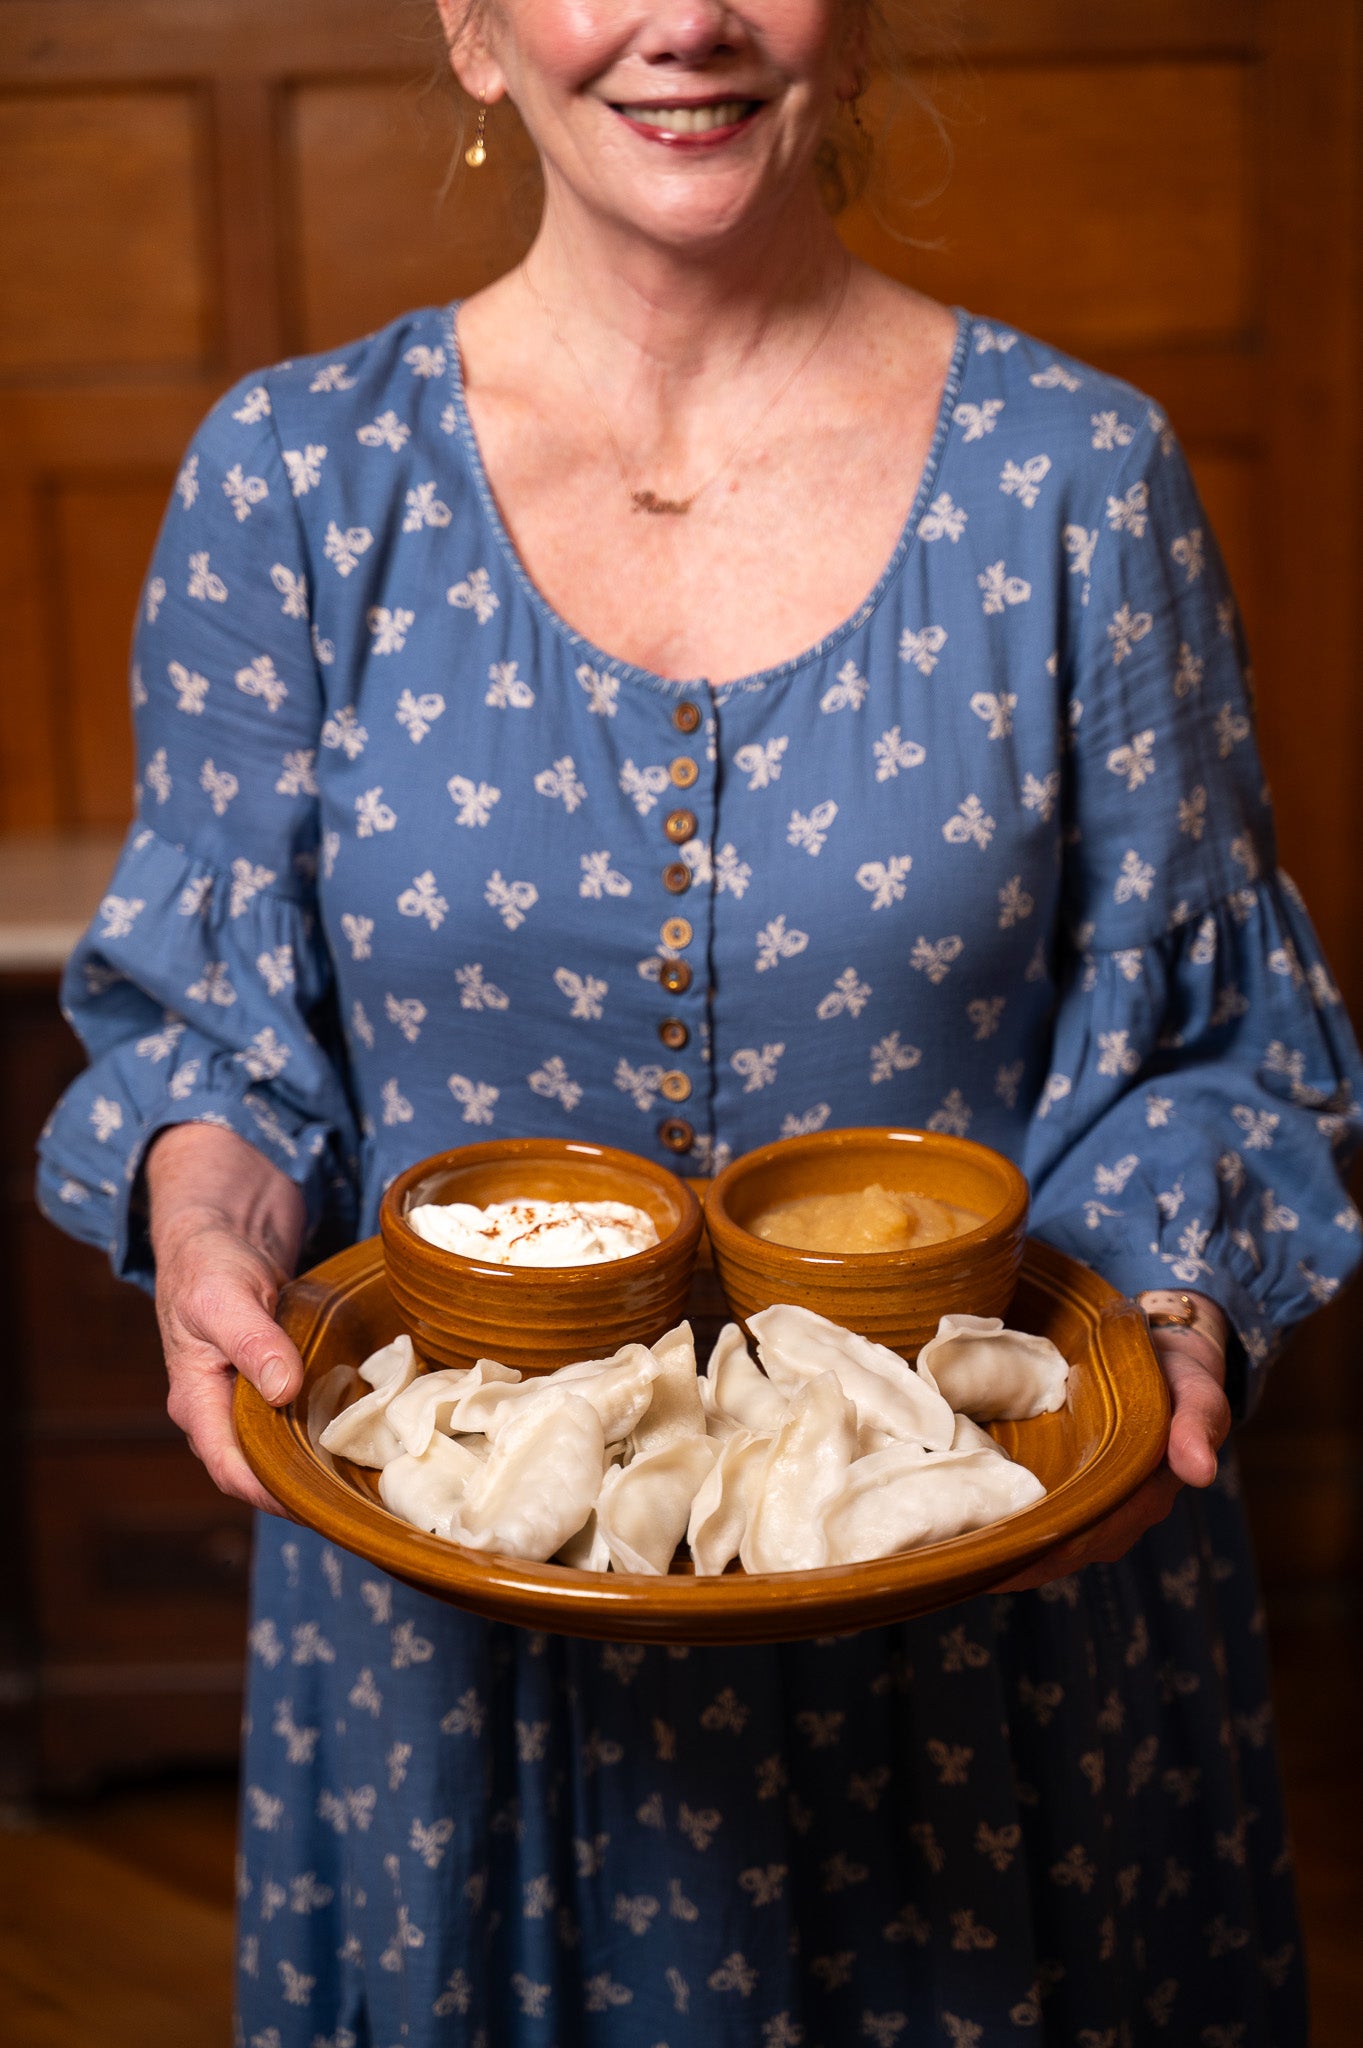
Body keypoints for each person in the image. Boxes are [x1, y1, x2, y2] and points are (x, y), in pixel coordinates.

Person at [37, 3, 1361, 2041]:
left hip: (984, 1634)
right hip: (465, 1663)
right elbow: (214, 1031)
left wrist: (1160, 1320)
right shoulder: (293, 481)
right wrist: (208, 1215)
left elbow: (1211, 1039)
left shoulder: (1074, 479)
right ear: (474, 33)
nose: (690, 17)